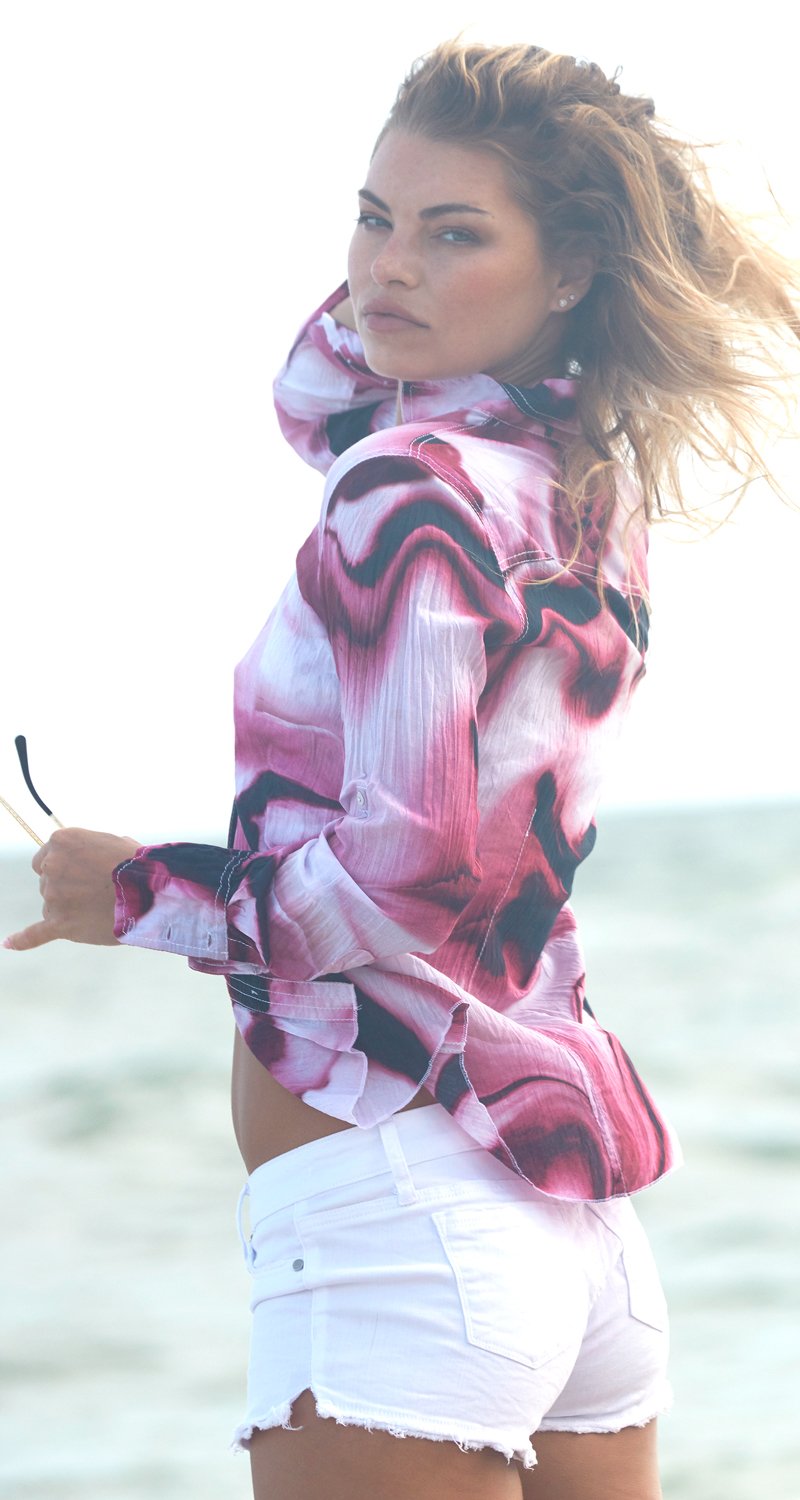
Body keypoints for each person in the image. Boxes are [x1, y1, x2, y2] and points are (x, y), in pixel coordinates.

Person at [5, 39, 798, 1500]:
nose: (386, 270)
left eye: (453, 234)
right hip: (567, 1231)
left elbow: (405, 877)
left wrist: (137, 890)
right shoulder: (579, 485)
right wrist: (434, 258)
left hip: (400, 1221)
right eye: (372, 219)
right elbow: (314, 394)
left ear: (567, 270)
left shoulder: (407, 490)